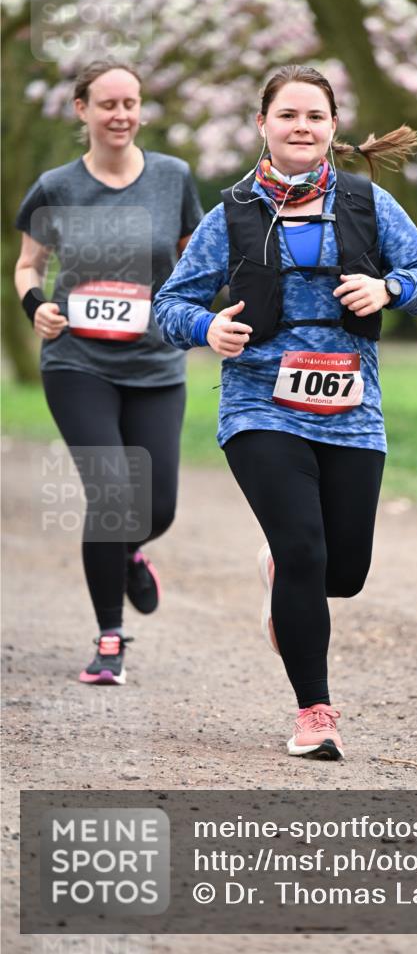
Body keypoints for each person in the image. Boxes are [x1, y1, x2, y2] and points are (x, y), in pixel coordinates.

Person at [154, 64, 417, 759]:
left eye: (313, 116)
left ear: (332, 128)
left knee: (340, 574)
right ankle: (314, 712)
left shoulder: (367, 203)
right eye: (286, 115)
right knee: (303, 551)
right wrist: (207, 331)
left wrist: (390, 288)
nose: (300, 128)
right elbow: (169, 306)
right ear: (262, 126)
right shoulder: (230, 211)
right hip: (260, 403)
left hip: (352, 404)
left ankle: (279, 570)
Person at [15, 60, 204, 686]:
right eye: (107, 104)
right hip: (77, 361)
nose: (120, 115)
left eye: (130, 103)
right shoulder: (55, 186)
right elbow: (27, 266)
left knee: (159, 505)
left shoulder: (174, 177)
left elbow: (192, 256)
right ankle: (109, 638)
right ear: (81, 110)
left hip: (155, 362)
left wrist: (201, 311)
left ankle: (128, 553)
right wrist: (36, 306)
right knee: (110, 495)